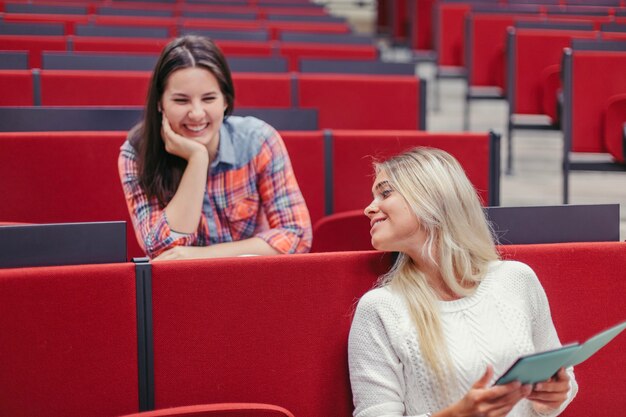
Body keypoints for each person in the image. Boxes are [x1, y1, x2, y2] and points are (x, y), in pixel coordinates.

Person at [348, 148, 577, 417]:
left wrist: (553, 396)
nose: (369, 208)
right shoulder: (380, 308)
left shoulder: (516, 278)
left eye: (385, 193)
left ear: (431, 197)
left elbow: (563, 378)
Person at [118, 35, 312, 260]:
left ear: (226, 100)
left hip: (252, 281)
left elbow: (297, 236)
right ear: (160, 103)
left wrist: (200, 256)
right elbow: (162, 250)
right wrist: (197, 159)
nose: (197, 113)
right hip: (181, 288)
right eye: (181, 101)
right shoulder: (135, 155)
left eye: (209, 99)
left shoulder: (258, 140)